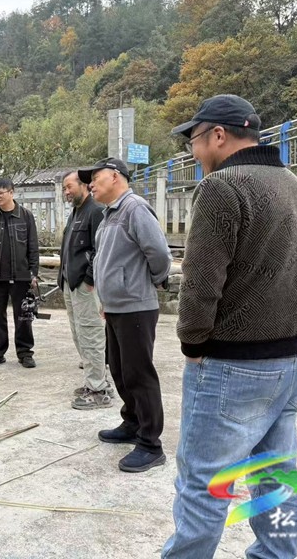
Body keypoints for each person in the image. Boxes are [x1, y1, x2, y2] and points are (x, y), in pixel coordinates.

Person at [162, 95, 297, 558]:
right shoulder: (293, 184)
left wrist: (192, 342)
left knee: (204, 485)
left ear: (219, 135)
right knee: (277, 476)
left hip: (235, 364)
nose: (193, 152)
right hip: (293, 359)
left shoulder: (222, 188)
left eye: (194, 140)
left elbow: (201, 281)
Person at [78, 157, 171, 473]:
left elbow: (159, 254)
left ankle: (150, 443)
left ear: (116, 176)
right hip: (116, 308)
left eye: (95, 177)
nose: (90, 183)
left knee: (138, 374)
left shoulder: (134, 209)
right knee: (118, 369)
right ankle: (132, 422)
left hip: (136, 307)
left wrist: (146, 283)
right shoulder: (109, 216)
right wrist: (108, 295)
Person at [57, 171, 114, 410]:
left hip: (84, 285)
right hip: (70, 284)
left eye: (69, 187)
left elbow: (101, 250)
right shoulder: (76, 212)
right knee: (79, 334)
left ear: (83, 186)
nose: (66, 192)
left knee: (90, 334)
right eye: (64, 188)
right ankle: (96, 379)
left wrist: (90, 279)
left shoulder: (95, 211)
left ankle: (98, 389)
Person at [0, 177, 40, 368]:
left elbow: (33, 246)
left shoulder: (25, 216)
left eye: (1, 193)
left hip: (21, 275)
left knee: (23, 315)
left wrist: (33, 272)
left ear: (11, 192)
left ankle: (25, 353)